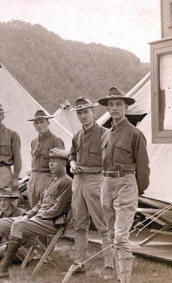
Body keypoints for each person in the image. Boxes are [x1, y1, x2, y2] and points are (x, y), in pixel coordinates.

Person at [0, 148, 72, 281]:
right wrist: (28, 215)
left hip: (52, 223)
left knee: (18, 226)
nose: (51, 164)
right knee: (1, 223)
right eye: (50, 161)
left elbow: (57, 210)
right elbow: (39, 205)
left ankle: (3, 269)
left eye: (55, 161)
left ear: (64, 164)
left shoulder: (67, 182)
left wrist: (35, 217)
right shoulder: (52, 180)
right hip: (39, 219)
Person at [98, 87, 150, 283]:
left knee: (121, 236)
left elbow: (143, 166)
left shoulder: (135, 134)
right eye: (111, 105)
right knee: (110, 233)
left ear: (126, 106)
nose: (114, 108)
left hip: (125, 183)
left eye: (118, 104)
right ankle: (117, 275)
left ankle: (125, 280)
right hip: (107, 184)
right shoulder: (106, 135)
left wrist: (140, 189)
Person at [68, 97, 113, 276]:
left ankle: (109, 264)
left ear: (93, 112)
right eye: (80, 113)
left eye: (86, 112)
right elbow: (71, 155)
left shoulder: (105, 133)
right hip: (78, 181)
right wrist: (72, 164)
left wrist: (88, 169)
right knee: (79, 224)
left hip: (96, 181)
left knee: (103, 224)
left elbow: (109, 162)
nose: (83, 115)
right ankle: (79, 262)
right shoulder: (77, 136)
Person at [27, 110, 64, 208]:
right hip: (33, 179)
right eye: (36, 123)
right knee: (32, 208)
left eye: (41, 122)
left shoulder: (56, 141)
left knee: (45, 208)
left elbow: (60, 165)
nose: (39, 125)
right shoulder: (33, 142)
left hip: (47, 178)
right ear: (34, 125)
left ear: (48, 123)